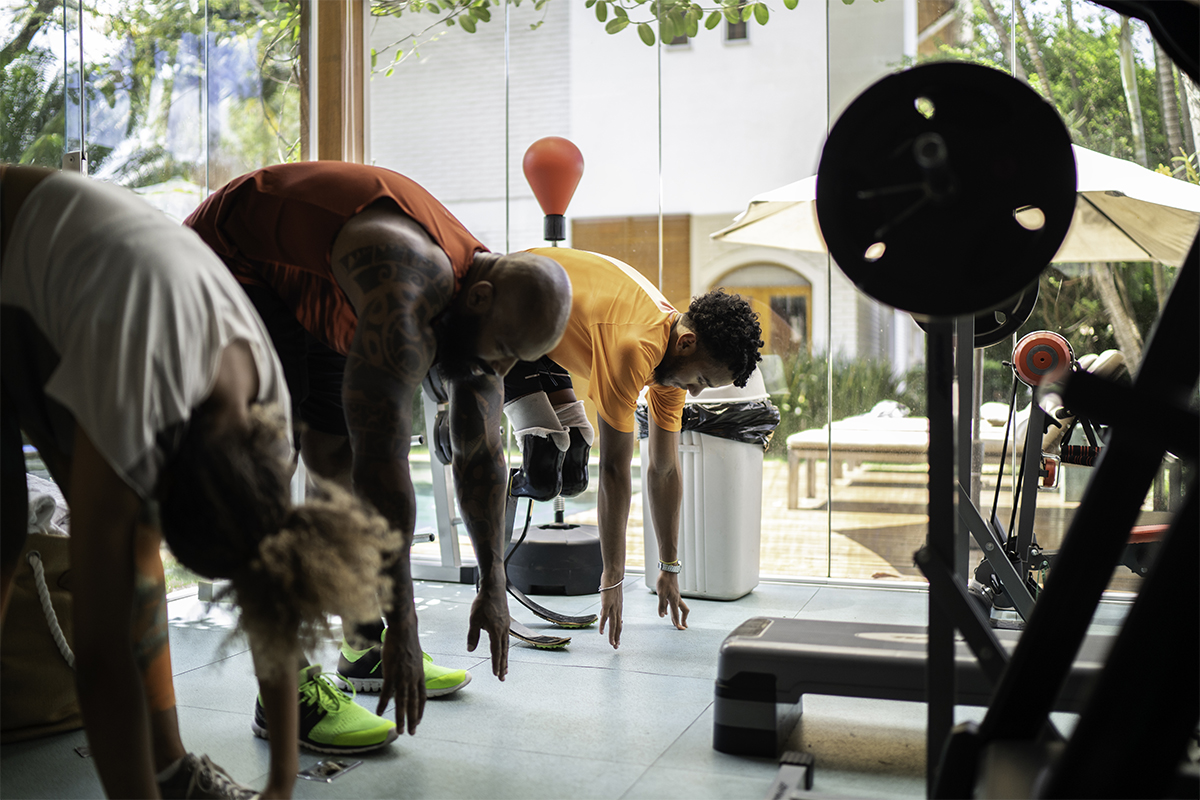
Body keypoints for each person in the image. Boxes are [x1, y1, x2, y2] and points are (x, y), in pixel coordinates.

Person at [0, 165, 401, 799]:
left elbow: (272, 600)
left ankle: (170, 771)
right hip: (20, 250)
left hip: (69, 283)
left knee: (129, 568)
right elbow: (102, 665)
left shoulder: (267, 424)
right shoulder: (135, 398)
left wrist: (279, 786)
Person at [184, 162, 572, 736]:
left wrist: (493, 584)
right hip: (229, 261)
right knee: (271, 460)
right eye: (507, 351)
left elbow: (481, 454)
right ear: (481, 298)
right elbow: (383, 463)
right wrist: (409, 628)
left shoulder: (483, 304)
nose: (504, 369)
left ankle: (363, 642)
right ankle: (283, 694)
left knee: (331, 459)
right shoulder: (405, 287)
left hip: (316, 275)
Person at [501, 248, 763, 649]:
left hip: (548, 334)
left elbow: (664, 470)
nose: (695, 391)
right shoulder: (634, 346)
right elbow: (615, 470)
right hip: (504, 313)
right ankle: (499, 495)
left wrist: (669, 568)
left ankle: (521, 482)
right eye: (702, 380)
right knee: (542, 470)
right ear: (688, 343)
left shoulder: (672, 361)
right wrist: (612, 578)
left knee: (571, 475)